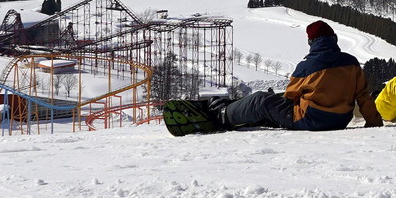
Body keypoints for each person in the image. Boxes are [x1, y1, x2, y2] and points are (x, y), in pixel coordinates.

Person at [164, 20, 382, 134]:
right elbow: (363, 96)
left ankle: (219, 116)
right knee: (270, 100)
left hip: (312, 121)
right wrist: (374, 122)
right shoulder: (352, 62)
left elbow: (290, 95)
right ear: (333, 38)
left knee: (261, 100)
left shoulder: (307, 66)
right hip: (340, 119)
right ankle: (229, 108)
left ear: (311, 42)